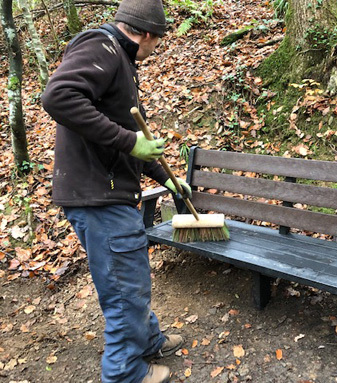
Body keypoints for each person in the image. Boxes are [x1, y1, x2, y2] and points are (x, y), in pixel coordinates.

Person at [41, 1, 191, 382]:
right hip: (99, 197)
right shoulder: (101, 47)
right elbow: (58, 97)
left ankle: (148, 340)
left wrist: (166, 178)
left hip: (105, 192)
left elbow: (131, 139)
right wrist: (129, 141)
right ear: (146, 34)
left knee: (130, 279)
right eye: (158, 41)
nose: (156, 49)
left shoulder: (118, 60)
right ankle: (125, 372)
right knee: (125, 287)